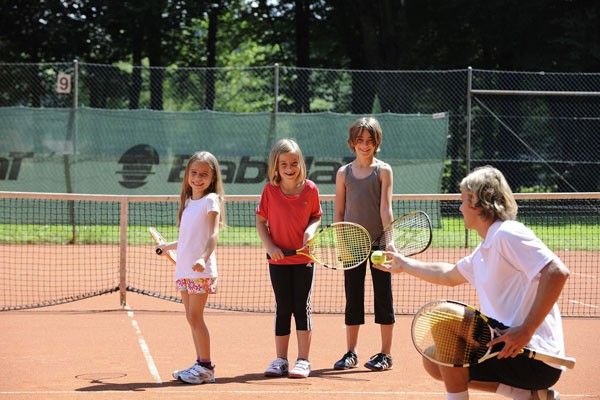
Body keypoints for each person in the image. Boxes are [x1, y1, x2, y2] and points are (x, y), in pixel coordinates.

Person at [373, 166, 570, 400]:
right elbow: (448, 274)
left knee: (442, 317)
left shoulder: (506, 233)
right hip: (506, 348)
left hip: (534, 355)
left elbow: (557, 271)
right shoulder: (485, 249)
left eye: (463, 200)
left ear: (477, 202)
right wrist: (403, 264)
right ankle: (530, 396)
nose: (459, 207)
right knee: (434, 359)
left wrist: (526, 330)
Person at [156, 151, 225, 385]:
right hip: (185, 270)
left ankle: (206, 366)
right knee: (190, 317)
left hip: (200, 270)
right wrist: (168, 247)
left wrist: (203, 258)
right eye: (194, 173)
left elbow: (213, 234)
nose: (197, 178)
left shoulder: (211, 200)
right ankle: (200, 363)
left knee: (196, 317)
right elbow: (187, 238)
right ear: (187, 175)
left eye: (204, 174)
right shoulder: (187, 202)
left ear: (212, 177)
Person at [333, 116, 396, 372]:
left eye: (370, 141)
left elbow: (386, 209)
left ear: (376, 143)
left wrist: (390, 242)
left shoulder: (384, 171)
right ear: (353, 143)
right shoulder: (343, 173)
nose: (365, 145)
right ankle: (350, 353)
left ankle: (386, 354)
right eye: (360, 140)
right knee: (353, 298)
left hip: (379, 244)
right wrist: (341, 241)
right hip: (352, 245)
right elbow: (339, 211)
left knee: (384, 298)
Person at [256, 138, 322, 379]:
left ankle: (303, 360)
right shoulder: (269, 191)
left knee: (301, 308)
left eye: (294, 162)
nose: (289, 167)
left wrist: (310, 231)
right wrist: (270, 245)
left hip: (303, 259)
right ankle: (280, 360)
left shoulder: (311, 189)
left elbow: (316, 217)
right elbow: (261, 222)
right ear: (276, 165)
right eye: (283, 163)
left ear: (300, 163)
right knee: (283, 307)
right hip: (278, 261)